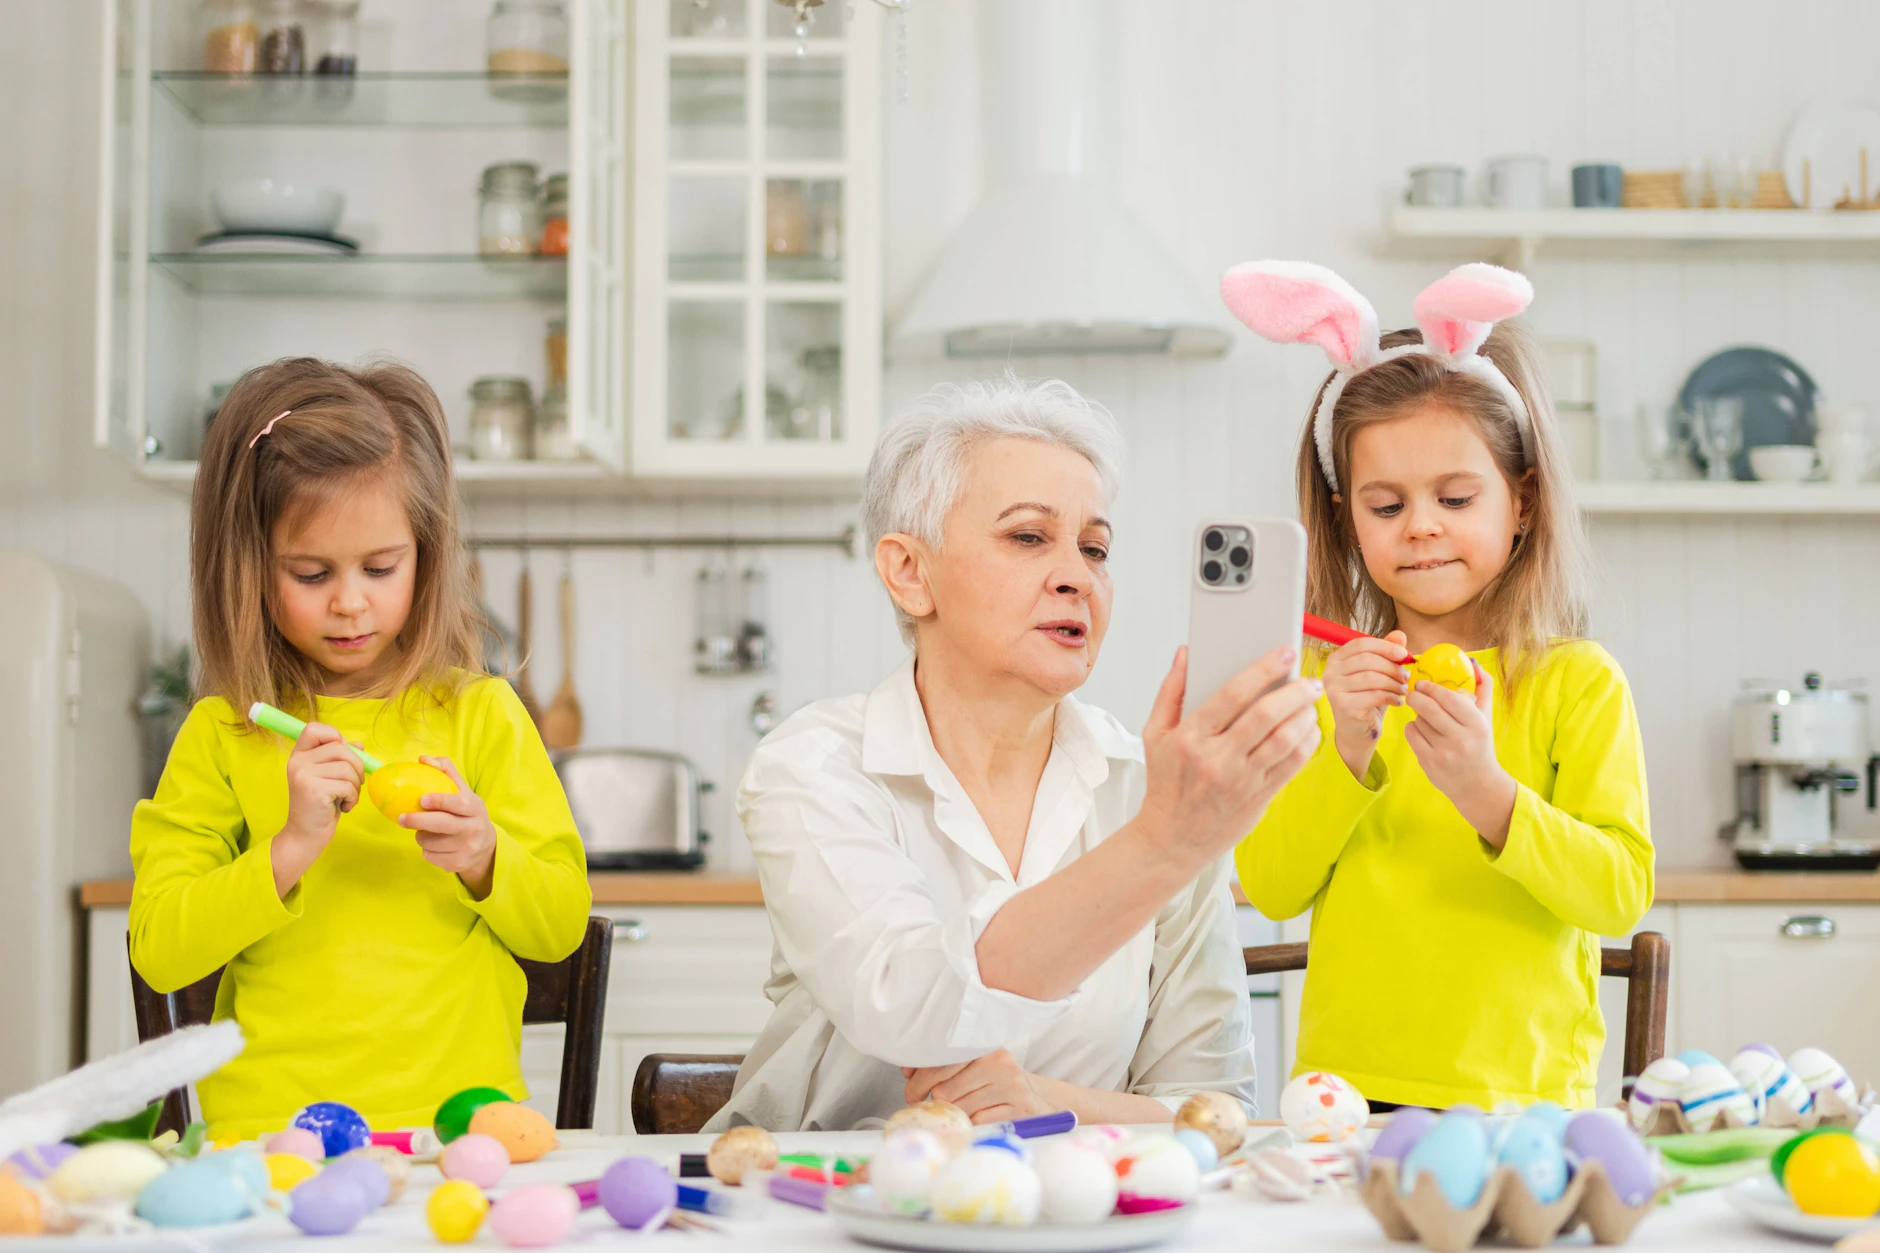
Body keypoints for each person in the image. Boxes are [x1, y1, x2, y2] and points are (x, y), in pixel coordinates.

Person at [707, 377, 1324, 1132]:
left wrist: (1053, 1106)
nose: (1077, 577)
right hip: (818, 1206)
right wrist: (1166, 842)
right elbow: (908, 1002)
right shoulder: (815, 765)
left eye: (1095, 548)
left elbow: (1219, 1107)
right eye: (1028, 536)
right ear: (909, 572)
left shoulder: (1147, 787)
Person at [1223, 261, 1653, 1110]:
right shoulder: (1319, 680)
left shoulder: (1576, 682)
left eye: (1456, 496)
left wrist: (1489, 794)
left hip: (1520, 1097)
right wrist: (1345, 744)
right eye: (1386, 507)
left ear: (1521, 502)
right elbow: (1269, 884)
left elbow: (1617, 896)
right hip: (1344, 1095)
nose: (1421, 525)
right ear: (1347, 515)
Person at [128, 358, 590, 1140]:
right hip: (275, 1134)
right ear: (249, 568)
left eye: (381, 567)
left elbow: (559, 927)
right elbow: (162, 952)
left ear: (428, 552)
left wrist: (485, 855)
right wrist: (288, 847)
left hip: (460, 1129)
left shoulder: (482, 715)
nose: (350, 601)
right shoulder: (225, 731)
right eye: (311, 572)